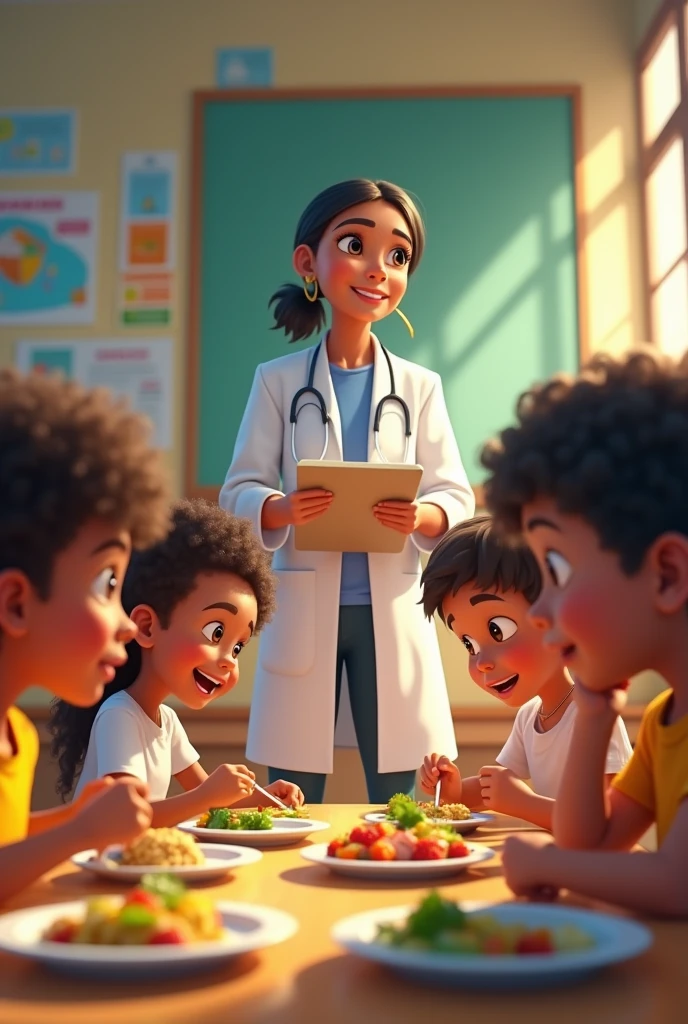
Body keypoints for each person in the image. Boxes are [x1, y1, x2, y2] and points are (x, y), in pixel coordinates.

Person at [220, 178, 475, 804]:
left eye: (397, 256)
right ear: (309, 262)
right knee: (290, 783)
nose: (377, 270)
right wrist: (278, 507)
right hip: (306, 601)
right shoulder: (278, 381)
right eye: (356, 244)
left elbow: (457, 496)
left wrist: (424, 515)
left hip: (391, 603)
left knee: (403, 783)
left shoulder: (420, 387)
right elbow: (238, 491)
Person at [479, 349, 688, 916]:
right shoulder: (667, 720)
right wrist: (594, 711)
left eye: (558, 571)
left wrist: (547, 865)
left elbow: (677, 884)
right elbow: (590, 842)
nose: (542, 608)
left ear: (667, 573)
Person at [0, 369, 166, 903]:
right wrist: (78, 833)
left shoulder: (18, 737)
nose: (124, 622)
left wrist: (73, 815)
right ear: (17, 602)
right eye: (106, 583)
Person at [49, 499, 304, 823]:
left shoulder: (165, 721)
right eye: (216, 633)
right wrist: (207, 796)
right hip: (102, 869)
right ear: (147, 626)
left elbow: (209, 796)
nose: (228, 661)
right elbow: (125, 816)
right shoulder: (119, 715)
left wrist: (266, 796)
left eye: (238, 647)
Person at [417, 515, 631, 828]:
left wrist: (523, 804)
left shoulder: (596, 715)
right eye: (469, 644)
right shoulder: (531, 717)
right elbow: (499, 785)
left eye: (498, 630)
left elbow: (600, 824)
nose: (482, 662)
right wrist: (456, 791)